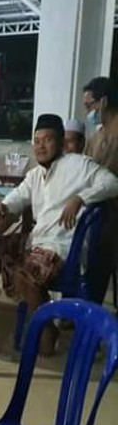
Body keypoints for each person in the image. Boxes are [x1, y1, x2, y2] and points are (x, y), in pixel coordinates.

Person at [0, 114, 118, 354]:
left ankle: (47, 328)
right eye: (37, 141)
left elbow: (113, 183)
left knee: (23, 273)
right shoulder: (36, 174)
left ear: (61, 143)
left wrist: (81, 197)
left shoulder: (78, 165)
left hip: (63, 248)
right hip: (39, 241)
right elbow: (19, 195)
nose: (40, 146)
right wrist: (4, 205)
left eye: (47, 140)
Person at [83, 77, 118, 303]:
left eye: (89, 105)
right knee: (93, 266)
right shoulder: (97, 136)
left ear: (103, 102)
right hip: (98, 213)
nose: (88, 112)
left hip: (113, 214)